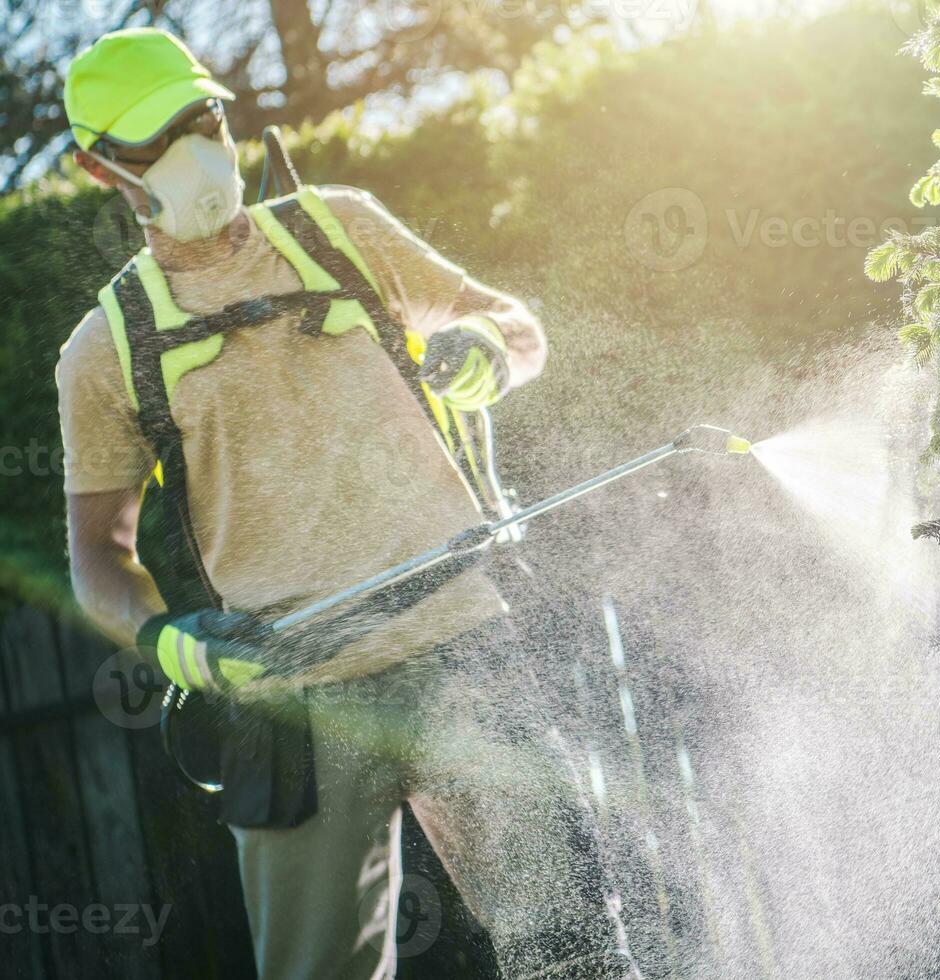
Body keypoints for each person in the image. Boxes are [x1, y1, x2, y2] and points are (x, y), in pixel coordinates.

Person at [58, 27, 636, 980]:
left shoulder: (337, 226)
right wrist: (172, 641)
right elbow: (97, 558)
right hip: (289, 704)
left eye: (202, 118)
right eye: (156, 139)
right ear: (100, 166)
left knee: (575, 951)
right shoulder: (104, 349)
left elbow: (517, 326)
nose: (194, 147)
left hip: (463, 643)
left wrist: (489, 350)